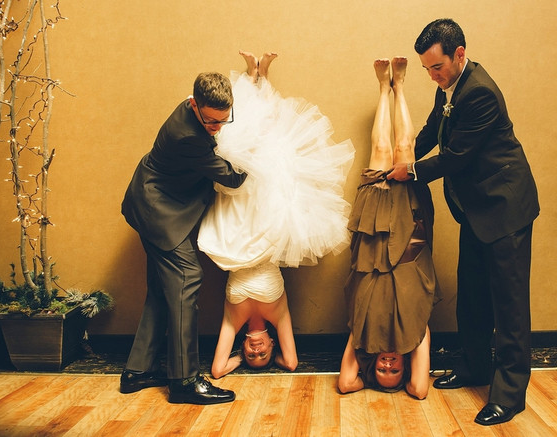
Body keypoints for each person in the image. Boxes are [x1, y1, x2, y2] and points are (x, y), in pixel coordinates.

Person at [387, 18, 539, 425]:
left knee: (508, 305)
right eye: (427, 70)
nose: (433, 76)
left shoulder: (481, 93)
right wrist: (401, 155)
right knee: (472, 294)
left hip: (505, 208)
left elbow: (456, 156)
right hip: (475, 208)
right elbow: (434, 129)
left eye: (437, 67)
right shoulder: (450, 87)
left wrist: (413, 172)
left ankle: (509, 395)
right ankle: (474, 367)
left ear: (459, 54)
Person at [197, 51, 355, 377]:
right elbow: (293, 363)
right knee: (272, 155)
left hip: (237, 234)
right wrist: (280, 360)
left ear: (243, 345)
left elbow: (216, 369)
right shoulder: (277, 314)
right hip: (267, 231)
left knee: (238, 156)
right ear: (270, 343)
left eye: (250, 354)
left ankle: (250, 76)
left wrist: (236, 361)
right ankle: (262, 76)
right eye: (262, 355)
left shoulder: (234, 318)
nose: (256, 352)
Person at [119, 72, 247, 405]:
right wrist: (261, 165)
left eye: (222, 121)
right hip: (157, 210)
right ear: (194, 105)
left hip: (151, 201)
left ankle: (137, 371)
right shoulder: (186, 136)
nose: (216, 128)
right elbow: (231, 178)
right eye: (210, 121)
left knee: (164, 291)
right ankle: (185, 381)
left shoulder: (194, 114)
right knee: (187, 278)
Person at [338, 57, 440, 400]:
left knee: (381, 149)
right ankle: (400, 87)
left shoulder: (362, 335)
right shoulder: (415, 331)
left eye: (381, 370)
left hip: (371, 237)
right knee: (404, 151)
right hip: (410, 240)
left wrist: (362, 356)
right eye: (394, 370)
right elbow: (420, 390)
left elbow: (346, 383)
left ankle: (384, 88)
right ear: (404, 366)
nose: (387, 364)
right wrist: (413, 353)